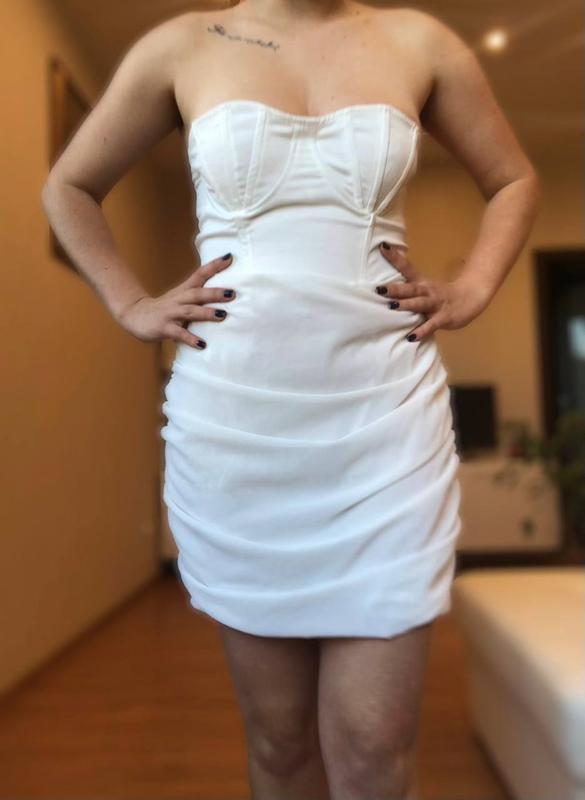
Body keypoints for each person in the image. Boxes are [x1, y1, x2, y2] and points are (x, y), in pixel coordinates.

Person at [41, 1, 541, 797]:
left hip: (385, 419)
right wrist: (131, 303)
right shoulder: (181, 45)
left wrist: (473, 286)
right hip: (238, 426)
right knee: (278, 742)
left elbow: (512, 178)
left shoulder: (418, 41)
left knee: (375, 750)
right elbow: (70, 186)